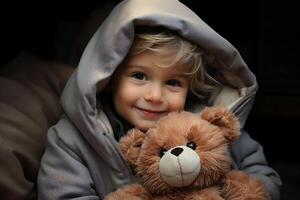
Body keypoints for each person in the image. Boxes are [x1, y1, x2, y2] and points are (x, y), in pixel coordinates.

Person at [37, 0, 282, 199]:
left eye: (173, 82)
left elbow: (266, 179)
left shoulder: (210, 127)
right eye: (139, 76)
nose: (155, 96)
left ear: (191, 88)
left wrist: (233, 191)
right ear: (108, 79)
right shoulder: (72, 138)